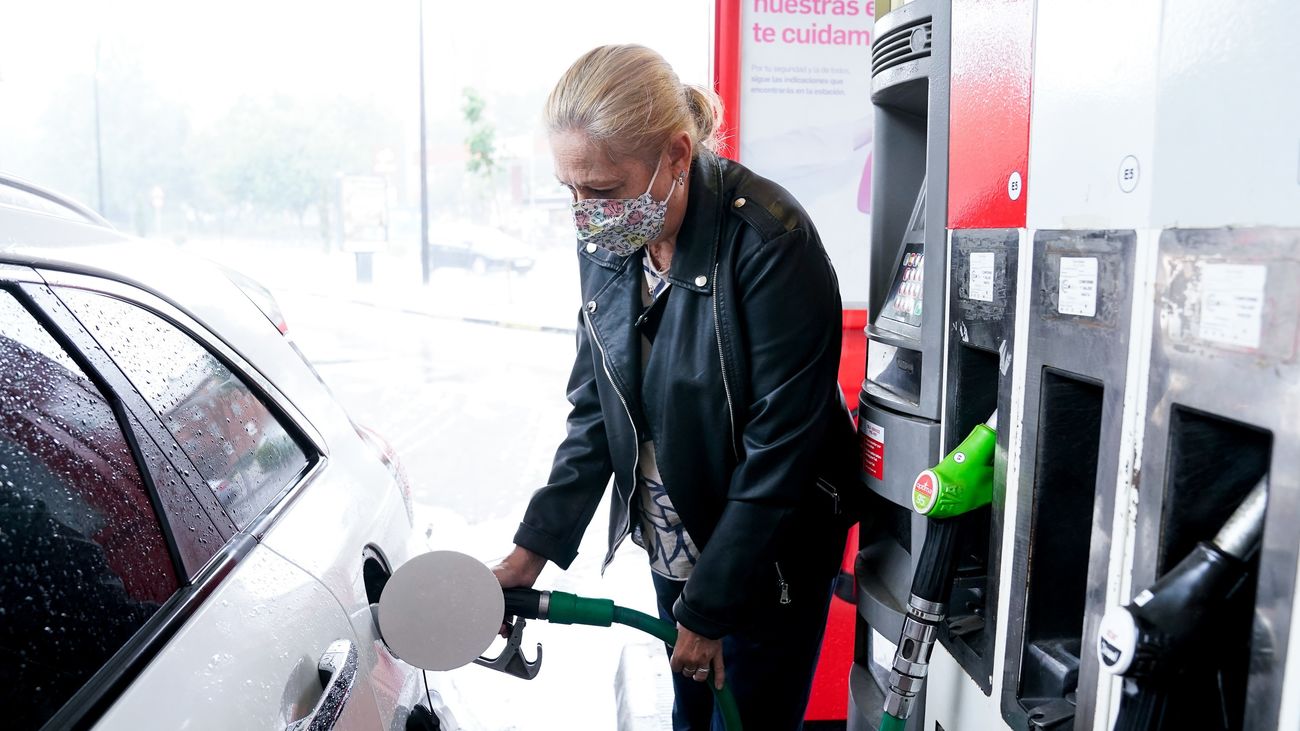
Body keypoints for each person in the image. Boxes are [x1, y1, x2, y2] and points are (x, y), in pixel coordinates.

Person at [492, 44, 858, 730]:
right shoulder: (606, 239)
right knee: (689, 719)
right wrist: (530, 551)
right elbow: (596, 413)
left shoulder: (769, 242)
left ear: (677, 156)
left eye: (601, 189)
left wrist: (712, 605)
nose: (586, 212)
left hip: (766, 553)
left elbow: (781, 450)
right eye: (570, 189)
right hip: (675, 542)